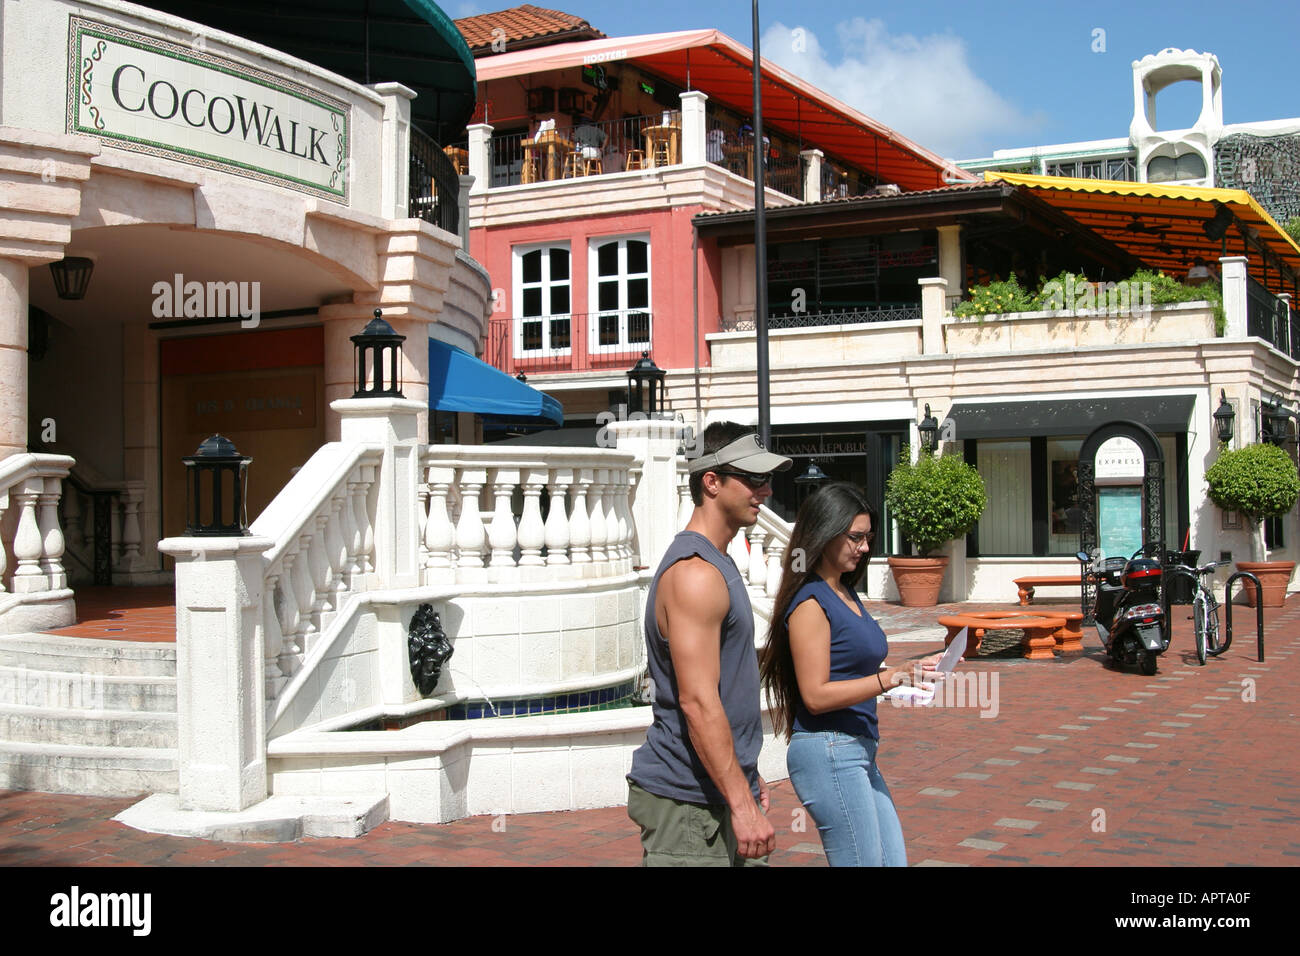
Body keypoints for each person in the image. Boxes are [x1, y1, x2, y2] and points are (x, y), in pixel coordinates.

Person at [627, 421, 792, 865]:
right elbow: (698, 702)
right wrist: (741, 803)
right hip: (689, 806)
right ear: (712, 482)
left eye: (768, 479)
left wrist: (743, 777)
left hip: (714, 793)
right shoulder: (695, 574)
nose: (766, 490)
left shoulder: (718, 563)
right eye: (754, 479)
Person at [759, 482, 942, 867]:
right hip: (829, 750)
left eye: (867, 538)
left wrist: (904, 679)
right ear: (824, 532)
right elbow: (816, 695)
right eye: (855, 537)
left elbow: (848, 669)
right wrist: (888, 679)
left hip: (858, 749)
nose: (863, 547)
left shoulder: (844, 591)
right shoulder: (810, 601)